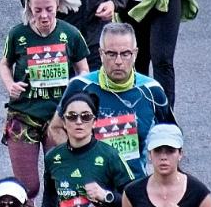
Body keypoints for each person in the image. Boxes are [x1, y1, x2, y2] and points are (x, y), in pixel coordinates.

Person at [2, 0, 92, 200]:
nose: (43, 16)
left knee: (60, 183)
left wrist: (75, 92)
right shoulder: (18, 34)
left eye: (49, 9)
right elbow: (4, 64)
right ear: (29, 8)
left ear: (58, 5)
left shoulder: (70, 34)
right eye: (37, 10)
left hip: (60, 118)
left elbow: (83, 70)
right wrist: (10, 85)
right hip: (24, 116)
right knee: (27, 187)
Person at [52, 22, 173, 180]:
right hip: (91, 186)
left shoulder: (152, 90)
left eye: (125, 54)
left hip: (134, 188)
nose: (118, 61)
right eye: (111, 54)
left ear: (135, 53)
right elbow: (56, 127)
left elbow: (172, 138)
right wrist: (77, 164)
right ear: (101, 54)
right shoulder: (81, 86)